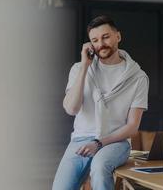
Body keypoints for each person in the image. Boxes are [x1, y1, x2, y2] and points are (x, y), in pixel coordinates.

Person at [52, 15, 149, 190]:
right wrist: (84, 67)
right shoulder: (78, 69)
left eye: (105, 37)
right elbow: (71, 109)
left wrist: (99, 143)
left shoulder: (138, 77)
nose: (100, 44)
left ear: (117, 36)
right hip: (80, 140)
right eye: (95, 40)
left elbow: (132, 127)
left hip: (116, 142)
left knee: (99, 166)